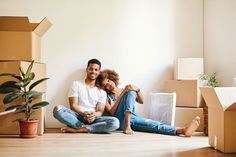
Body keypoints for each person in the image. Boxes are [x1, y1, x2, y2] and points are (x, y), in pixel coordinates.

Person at [96, 69, 200, 136]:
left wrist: (137, 90)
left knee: (153, 124)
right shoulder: (105, 96)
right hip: (121, 121)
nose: (109, 85)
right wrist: (123, 93)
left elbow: (142, 101)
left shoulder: (126, 89)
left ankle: (182, 130)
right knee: (130, 91)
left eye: (109, 81)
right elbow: (112, 112)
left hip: (132, 118)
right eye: (106, 85)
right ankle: (127, 126)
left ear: (112, 78)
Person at [53, 59, 119, 133]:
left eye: (96, 69)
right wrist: (84, 114)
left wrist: (93, 115)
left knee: (115, 122)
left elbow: (100, 112)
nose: (93, 71)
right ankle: (83, 127)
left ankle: (80, 129)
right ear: (87, 70)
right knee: (57, 109)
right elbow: (73, 106)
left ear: (99, 72)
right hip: (77, 116)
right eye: (91, 69)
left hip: (93, 119)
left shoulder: (102, 92)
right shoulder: (76, 84)